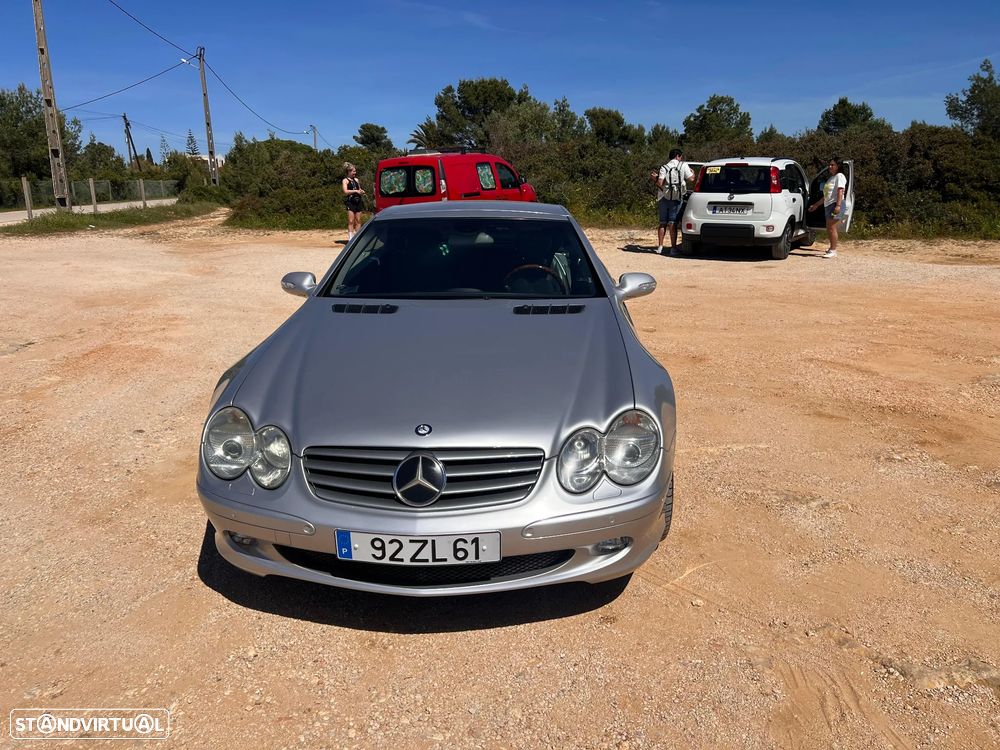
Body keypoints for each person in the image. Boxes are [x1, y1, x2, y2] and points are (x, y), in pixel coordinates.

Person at [651, 148, 695, 256]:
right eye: (681, 157)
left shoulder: (664, 167)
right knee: (673, 223)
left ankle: (660, 247)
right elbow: (691, 179)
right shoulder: (683, 165)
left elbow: (660, 182)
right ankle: (673, 249)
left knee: (662, 222)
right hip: (676, 197)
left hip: (663, 197)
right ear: (678, 156)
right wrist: (692, 172)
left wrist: (655, 179)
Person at [809, 156, 847, 258]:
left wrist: (838, 205)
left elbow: (840, 191)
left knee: (832, 228)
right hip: (829, 204)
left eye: (832, 165)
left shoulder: (840, 176)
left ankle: (833, 250)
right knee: (829, 228)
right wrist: (816, 205)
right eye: (829, 164)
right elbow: (826, 196)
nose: (830, 166)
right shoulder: (831, 178)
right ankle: (831, 248)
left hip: (835, 204)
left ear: (838, 166)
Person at [342, 163, 365, 240]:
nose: (355, 173)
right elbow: (345, 191)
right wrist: (355, 191)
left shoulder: (356, 180)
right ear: (349, 172)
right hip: (350, 202)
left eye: (355, 171)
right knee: (351, 221)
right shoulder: (345, 180)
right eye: (353, 171)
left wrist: (361, 191)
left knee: (358, 220)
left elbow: (359, 189)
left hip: (358, 201)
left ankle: (357, 238)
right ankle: (351, 239)